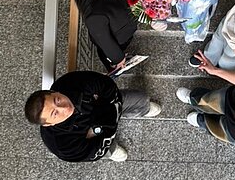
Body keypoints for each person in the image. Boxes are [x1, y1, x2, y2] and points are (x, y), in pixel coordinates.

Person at [24, 70, 160, 163]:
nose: (64, 107)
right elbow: (92, 151)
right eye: (55, 114)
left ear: (54, 91)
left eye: (57, 100)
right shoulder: (61, 145)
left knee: (140, 99)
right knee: (106, 148)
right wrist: (101, 109)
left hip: (112, 105)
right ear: (49, 124)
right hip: (105, 113)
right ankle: (112, 150)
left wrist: (94, 130)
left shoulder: (71, 82)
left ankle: (143, 109)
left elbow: (108, 86)